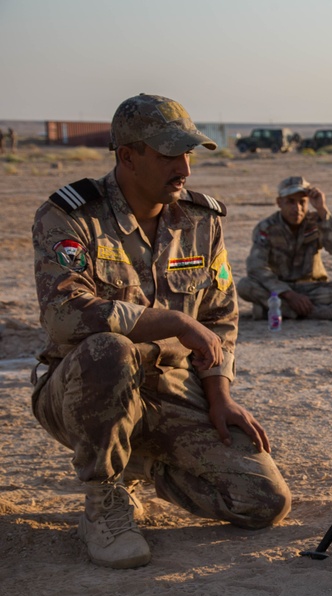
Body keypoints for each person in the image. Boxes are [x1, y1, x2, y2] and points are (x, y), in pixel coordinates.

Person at [30, 93, 291, 570]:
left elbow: (220, 318)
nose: (185, 168)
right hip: (82, 386)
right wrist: (169, 321)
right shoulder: (70, 216)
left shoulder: (200, 221)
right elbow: (63, 313)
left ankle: (138, 463)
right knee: (110, 349)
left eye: (188, 153)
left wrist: (219, 395)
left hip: (171, 385)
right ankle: (104, 500)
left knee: (261, 501)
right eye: (170, 154)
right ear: (127, 156)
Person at [236, 176, 332, 321]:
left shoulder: (316, 222)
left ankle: (274, 310)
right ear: (279, 203)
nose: (297, 208)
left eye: (302, 202)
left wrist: (322, 210)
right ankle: (312, 312)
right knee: (245, 285)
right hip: (280, 288)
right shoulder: (266, 228)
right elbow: (256, 268)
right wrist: (288, 294)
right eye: (290, 202)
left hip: (312, 288)